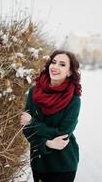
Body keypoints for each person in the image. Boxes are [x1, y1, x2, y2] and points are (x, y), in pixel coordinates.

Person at [20, 50, 82, 182]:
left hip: (64, 164)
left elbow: (63, 133)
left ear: (69, 72)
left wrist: (32, 123)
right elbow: (26, 129)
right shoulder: (34, 92)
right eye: (53, 62)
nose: (55, 67)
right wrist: (48, 143)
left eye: (62, 64)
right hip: (39, 162)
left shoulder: (74, 99)